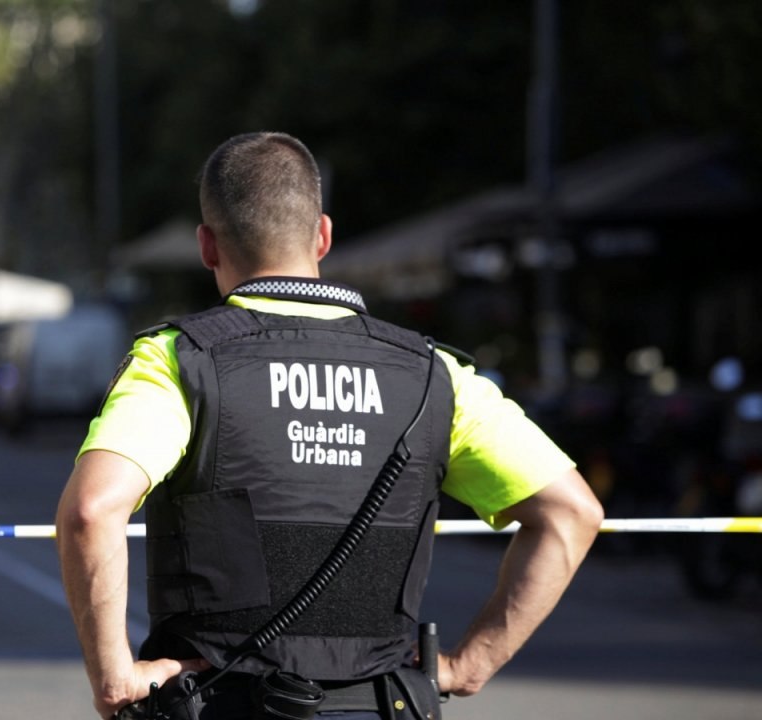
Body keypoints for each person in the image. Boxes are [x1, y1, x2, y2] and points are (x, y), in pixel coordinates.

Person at [56, 131, 604, 720]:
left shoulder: (180, 361)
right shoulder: (434, 374)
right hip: (383, 704)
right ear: (322, 235)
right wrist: (470, 665)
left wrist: (113, 680)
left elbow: (91, 511)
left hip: (221, 703)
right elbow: (572, 513)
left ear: (207, 246)